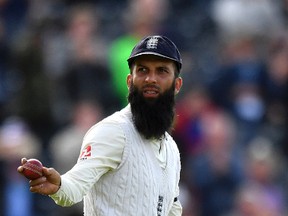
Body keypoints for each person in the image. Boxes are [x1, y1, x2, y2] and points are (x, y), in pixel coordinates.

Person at [17, 35, 184, 216]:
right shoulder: (112, 131)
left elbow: (172, 210)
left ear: (177, 85)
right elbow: (75, 184)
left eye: (161, 71)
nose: (151, 79)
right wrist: (59, 185)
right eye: (143, 70)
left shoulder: (171, 149)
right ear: (129, 82)